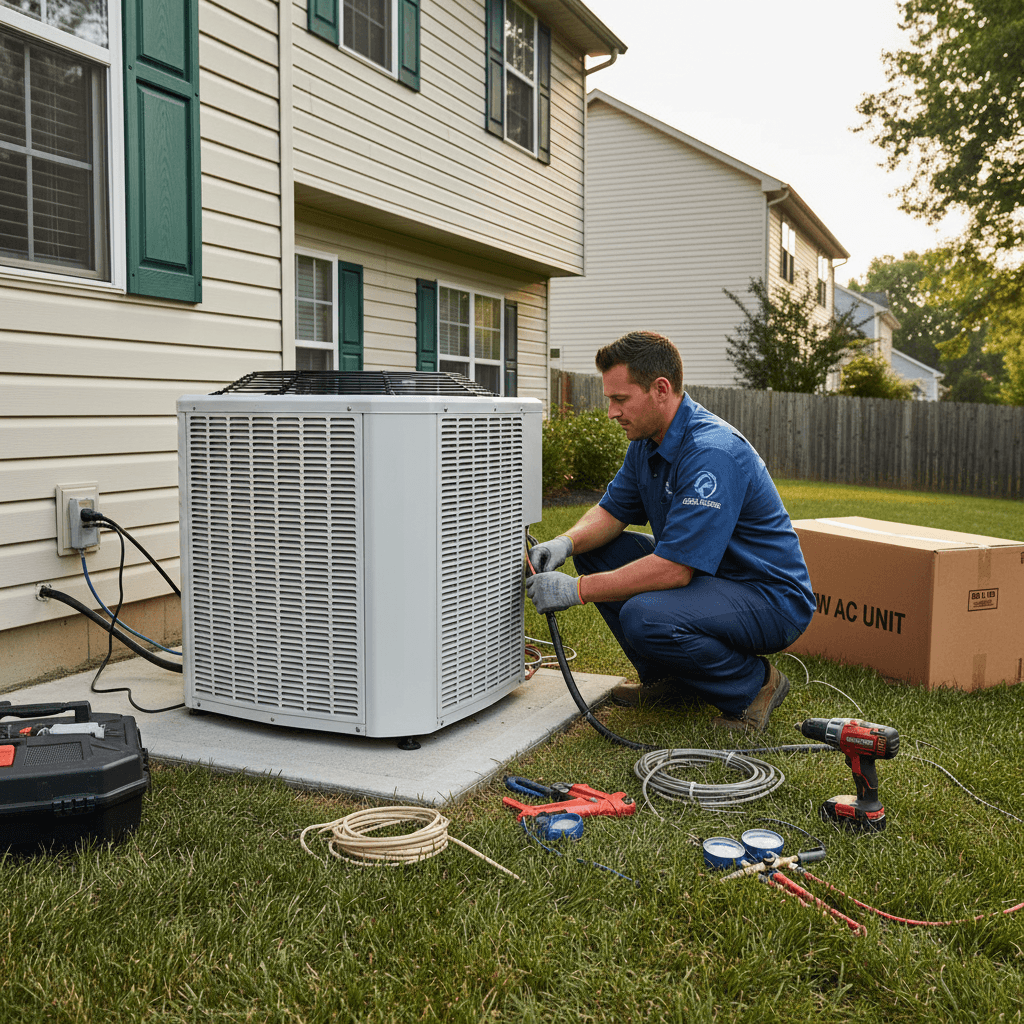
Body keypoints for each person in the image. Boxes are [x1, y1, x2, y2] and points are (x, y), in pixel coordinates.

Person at [526, 330, 815, 732]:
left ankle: (753, 687)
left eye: (620, 399)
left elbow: (673, 570)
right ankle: (673, 681)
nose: (611, 412)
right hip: (712, 577)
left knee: (646, 616)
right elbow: (612, 511)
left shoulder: (712, 451)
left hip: (767, 595)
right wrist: (566, 543)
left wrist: (575, 590)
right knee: (596, 551)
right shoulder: (648, 442)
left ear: (661, 389)